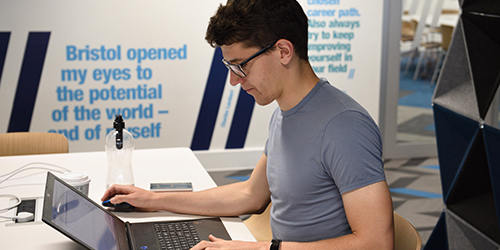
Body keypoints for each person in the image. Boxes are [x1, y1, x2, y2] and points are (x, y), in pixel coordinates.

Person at [102, 0, 395, 249]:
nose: (234, 80)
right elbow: (250, 195)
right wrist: (153, 199)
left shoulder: (344, 127)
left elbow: (377, 243)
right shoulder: (286, 112)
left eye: (241, 65)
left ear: (283, 51)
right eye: (229, 67)